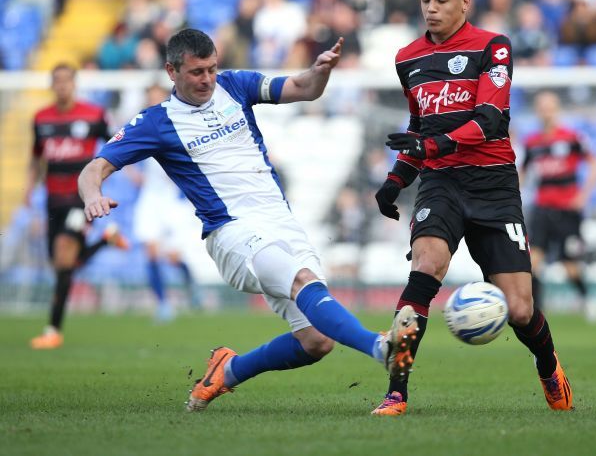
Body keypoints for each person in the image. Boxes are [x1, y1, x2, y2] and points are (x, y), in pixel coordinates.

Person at [77, 28, 419, 412]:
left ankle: (227, 370)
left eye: (211, 68)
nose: (207, 79)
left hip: (280, 220)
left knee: (317, 340)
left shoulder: (235, 85)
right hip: (232, 232)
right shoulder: (156, 122)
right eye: (196, 72)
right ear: (171, 71)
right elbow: (95, 168)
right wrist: (92, 196)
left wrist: (321, 70)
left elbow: (303, 88)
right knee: (302, 282)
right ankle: (381, 347)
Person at [373, 0, 573, 416]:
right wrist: (395, 180)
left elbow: (490, 119)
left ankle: (548, 366)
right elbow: (417, 130)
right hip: (441, 182)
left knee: (520, 310)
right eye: (425, 0)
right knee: (426, 267)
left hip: (493, 185)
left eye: (441, 0)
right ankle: (396, 392)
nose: (431, 8)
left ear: (464, 2)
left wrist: (432, 144)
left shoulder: (493, 46)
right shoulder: (408, 58)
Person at [28, 63, 129, 350]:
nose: (61, 86)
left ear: (74, 84)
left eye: (66, 81)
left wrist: (127, 170)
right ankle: (107, 240)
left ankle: (52, 331)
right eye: (56, 81)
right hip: (52, 200)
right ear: (51, 84)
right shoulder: (41, 119)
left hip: (80, 198)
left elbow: (115, 143)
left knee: (63, 260)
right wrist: (28, 187)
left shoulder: (93, 115)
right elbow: (36, 157)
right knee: (64, 263)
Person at [521, 90, 596, 322]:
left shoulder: (572, 137)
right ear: (537, 110)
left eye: (550, 106)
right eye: (542, 107)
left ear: (557, 109)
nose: (546, 111)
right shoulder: (532, 142)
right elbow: (523, 173)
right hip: (542, 208)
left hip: (567, 209)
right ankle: (537, 313)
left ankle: (587, 299)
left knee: (569, 265)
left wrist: (584, 195)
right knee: (533, 261)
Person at [132, 84, 205, 322]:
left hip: (173, 199)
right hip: (151, 199)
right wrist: (135, 176)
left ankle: (191, 287)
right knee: (151, 253)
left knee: (173, 257)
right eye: (149, 98)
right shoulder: (141, 126)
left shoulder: (179, 125)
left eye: (157, 98)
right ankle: (163, 305)